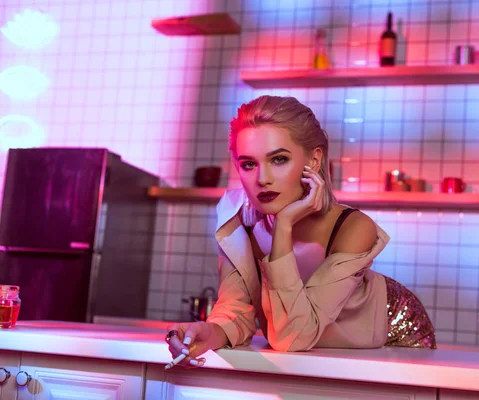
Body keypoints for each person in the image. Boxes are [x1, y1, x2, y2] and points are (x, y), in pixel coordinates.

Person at [165, 95, 436, 367]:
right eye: (249, 164)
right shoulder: (238, 222)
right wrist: (209, 333)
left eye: (279, 159)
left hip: (395, 333)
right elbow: (237, 311)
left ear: (314, 161)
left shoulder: (353, 227)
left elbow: (292, 337)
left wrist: (284, 226)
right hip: (312, 355)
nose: (262, 179)